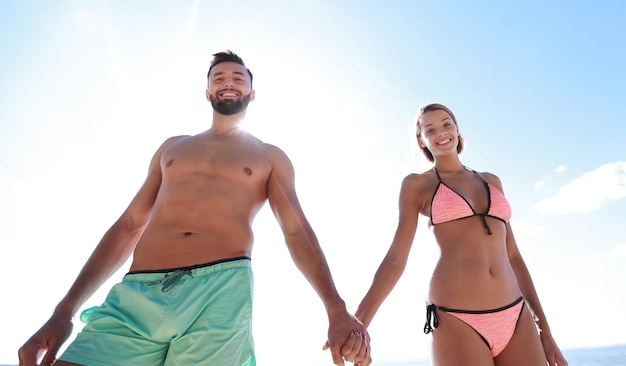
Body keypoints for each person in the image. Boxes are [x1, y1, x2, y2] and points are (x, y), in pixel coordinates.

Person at [18, 50, 371, 366]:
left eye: (238, 77)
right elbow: (128, 225)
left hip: (219, 292)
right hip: (138, 293)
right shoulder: (172, 147)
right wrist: (64, 311)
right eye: (218, 78)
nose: (228, 82)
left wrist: (336, 310)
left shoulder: (268, 156)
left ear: (252, 93)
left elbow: (296, 231)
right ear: (207, 93)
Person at [351, 103, 567, 365]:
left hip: (516, 314)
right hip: (457, 318)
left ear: (456, 128)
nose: (440, 132)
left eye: (446, 124)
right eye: (430, 129)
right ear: (421, 139)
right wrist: (358, 322)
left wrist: (545, 330)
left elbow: (514, 256)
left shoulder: (492, 181)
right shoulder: (416, 184)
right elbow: (397, 258)